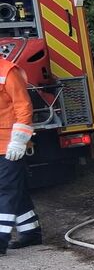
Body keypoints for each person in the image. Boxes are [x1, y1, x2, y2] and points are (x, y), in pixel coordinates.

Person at [0, 54, 42, 254]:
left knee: (7, 190)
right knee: (15, 188)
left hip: (9, 146)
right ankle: (31, 232)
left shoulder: (8, 71)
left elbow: (23, 107)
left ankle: (0, 238)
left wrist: (18, 141)